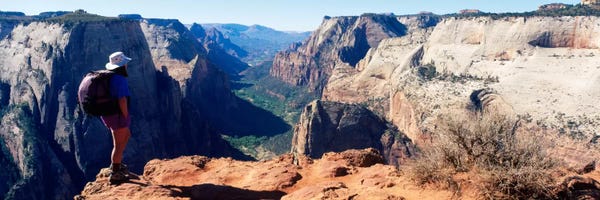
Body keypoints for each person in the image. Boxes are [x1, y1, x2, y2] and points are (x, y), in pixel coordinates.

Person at [101, 51, 132, 184]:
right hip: (117, 115)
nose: (127, 65)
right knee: (119, 144)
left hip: (108, 114)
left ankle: (116, 164)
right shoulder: (120, 79)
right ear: (122, 65)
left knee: (125, 136)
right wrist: (125, 116)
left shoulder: (109, 77)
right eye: (125, 63)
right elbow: (122, 100)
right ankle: (115, 173)